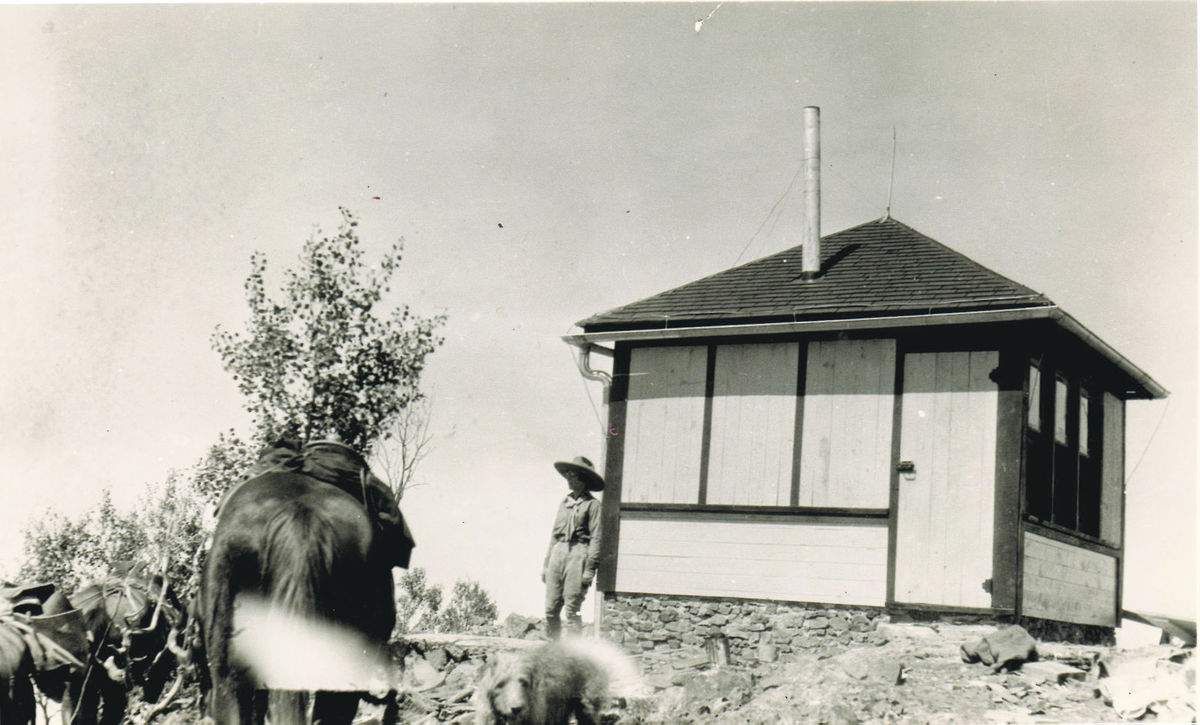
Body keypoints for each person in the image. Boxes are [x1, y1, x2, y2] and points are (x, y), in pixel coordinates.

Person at [542, 456, 604, 638]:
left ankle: (571, 655)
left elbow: (596, 538)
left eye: (573, 475)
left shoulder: (593, 506)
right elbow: (554, 535)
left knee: (572, 608)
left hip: (579, 554)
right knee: (550, 608)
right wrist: (546, 564)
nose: (569, 478)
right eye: (567, 475)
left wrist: (589, 570)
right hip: (558, 553)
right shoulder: (565, 503)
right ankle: (553, 648)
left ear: (583, 479)